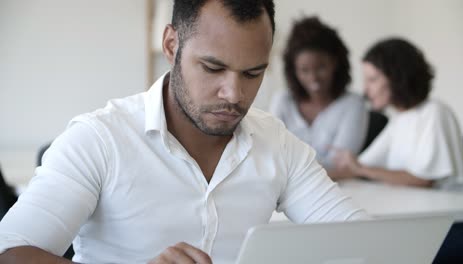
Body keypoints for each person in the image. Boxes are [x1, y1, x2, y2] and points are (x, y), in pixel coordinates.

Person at [0, 1, 367, 263]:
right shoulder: (99, 139)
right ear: (172, 45)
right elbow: (11, 251)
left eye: (253, 74)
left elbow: (363, 242)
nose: (235, 95)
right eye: (212, 68)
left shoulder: (276, 142)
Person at [333, 38, 463, 189]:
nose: (365, 90)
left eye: (372, 79)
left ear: (397, 77)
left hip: (447, 210)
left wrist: (361, 169)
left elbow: (423, 180)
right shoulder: (399, 120)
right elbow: (358, 168)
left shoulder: (435, 112)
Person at [269, 16, 368, 170]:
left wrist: (288, 166)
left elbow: (342, 166)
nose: (313, 78)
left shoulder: (353, 104)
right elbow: (271, 154)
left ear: (334, 63)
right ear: (293, 71)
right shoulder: (282, 100)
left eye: (321, 68)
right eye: (304, 70)